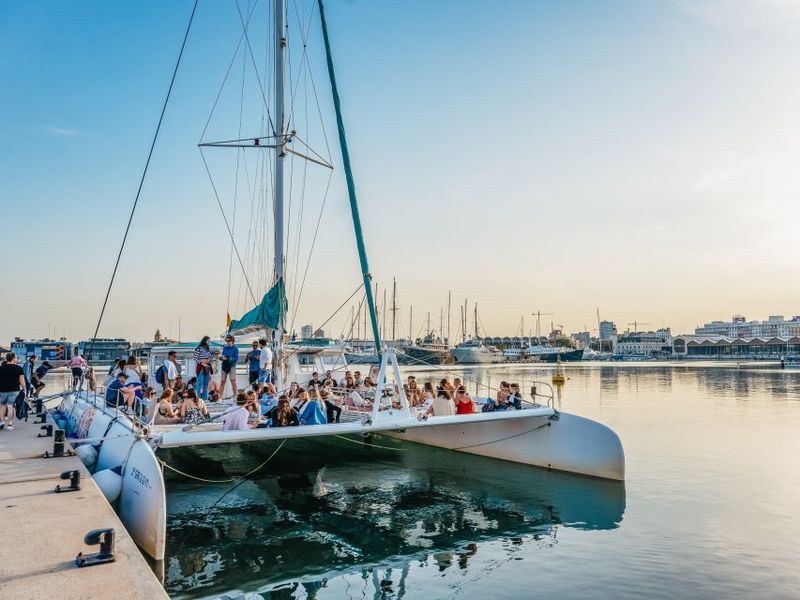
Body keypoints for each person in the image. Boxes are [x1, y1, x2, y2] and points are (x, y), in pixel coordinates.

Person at [0, 352, 25, 430]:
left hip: (2, 390)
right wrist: (25, 390)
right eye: (16, 357)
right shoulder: (19, 368)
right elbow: (22, 381)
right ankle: (9, 424)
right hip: (14, 390)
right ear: (13, 358)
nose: (17, 359)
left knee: (2, 406)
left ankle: (1, 422)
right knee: (10, 407)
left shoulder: (1, 368)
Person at [193, 336, 217, 402]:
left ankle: (205, 399)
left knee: (206, 384)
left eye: (209, 341)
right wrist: (202, 363)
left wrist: (215, 355)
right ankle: (198, 399)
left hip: (207, 367)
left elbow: (211, 358)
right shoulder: (199, 348)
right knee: (199, 383)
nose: (209, 342)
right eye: (208, 341)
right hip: (201, 367)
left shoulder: (207, 349)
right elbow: (195, 358)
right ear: (205, 341)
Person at [220, 334, 239, 399]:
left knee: (233, 380)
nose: (227, 342)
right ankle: (220, 397)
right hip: (224, 366)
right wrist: (221, 358)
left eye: (229, 340)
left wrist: (228, 358)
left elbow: (236, 359)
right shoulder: (225, 348)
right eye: (227, 340)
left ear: (232, 341)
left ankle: (235, 395)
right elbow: (223, 356)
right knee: (223, 381)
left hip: (231, 366)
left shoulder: (235, 348)